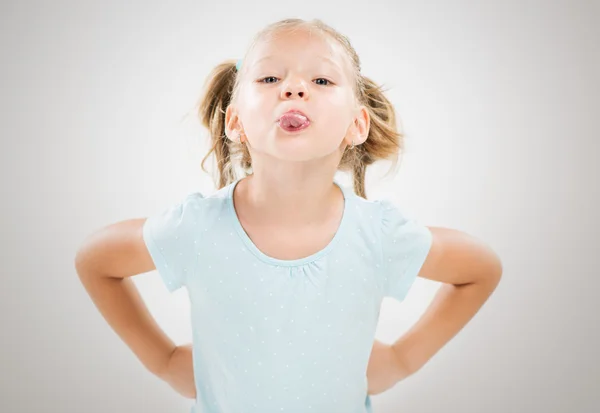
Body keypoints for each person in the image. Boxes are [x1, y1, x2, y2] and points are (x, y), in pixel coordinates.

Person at [75, 18, 503, 413]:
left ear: (357, 125)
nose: (294, 89)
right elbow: (97, 261)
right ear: (236, 122)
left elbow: (479, 269)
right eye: (269, 78)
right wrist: (165, 362)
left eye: (320, 79)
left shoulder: (379, 234)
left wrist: (403, 360)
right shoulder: (197, 227)